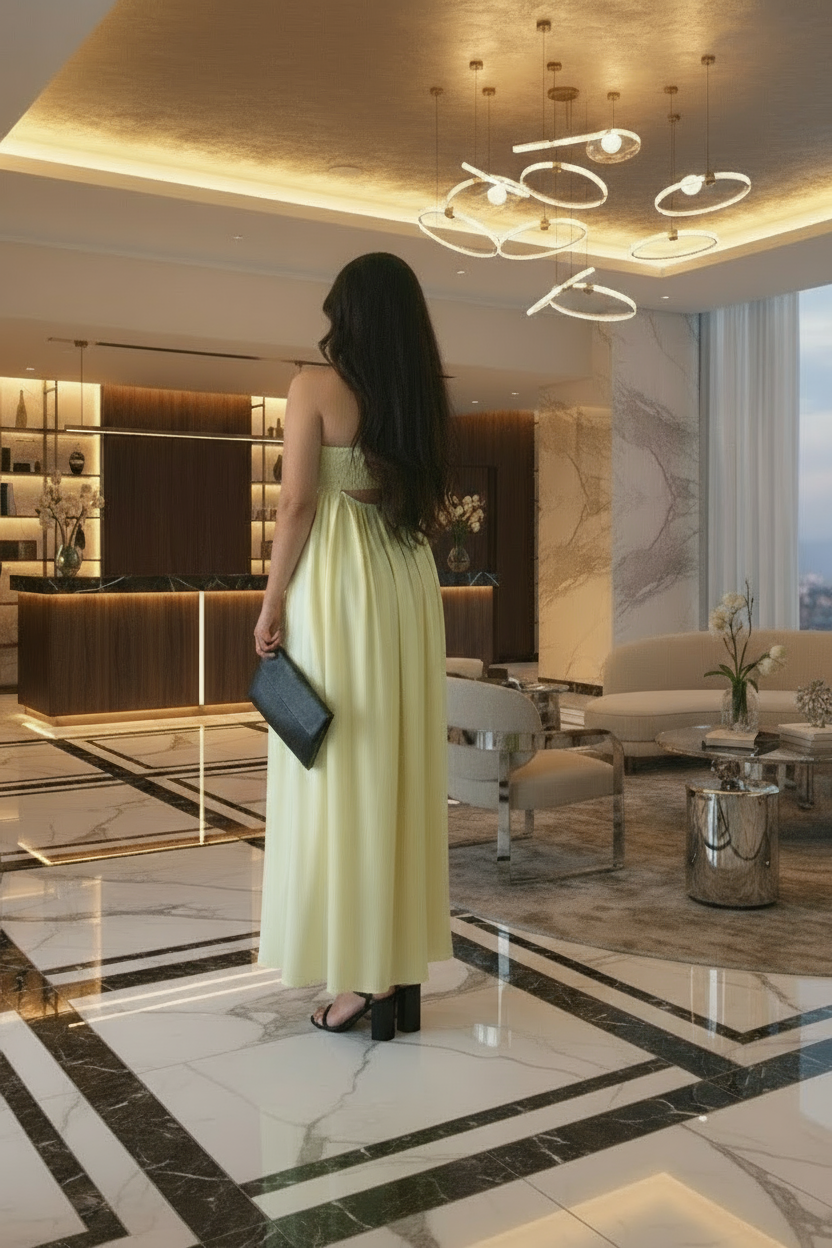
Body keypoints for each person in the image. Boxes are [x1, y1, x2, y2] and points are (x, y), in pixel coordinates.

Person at [254, 252, 453, 1041]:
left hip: (336, 586)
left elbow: (299, 503)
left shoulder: (313, 387)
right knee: (396, 767)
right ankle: (395, 969)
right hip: (404, 580)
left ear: (350, 315)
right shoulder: (419, 399)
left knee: (337, 767)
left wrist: (271, 602)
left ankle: (359, 979)